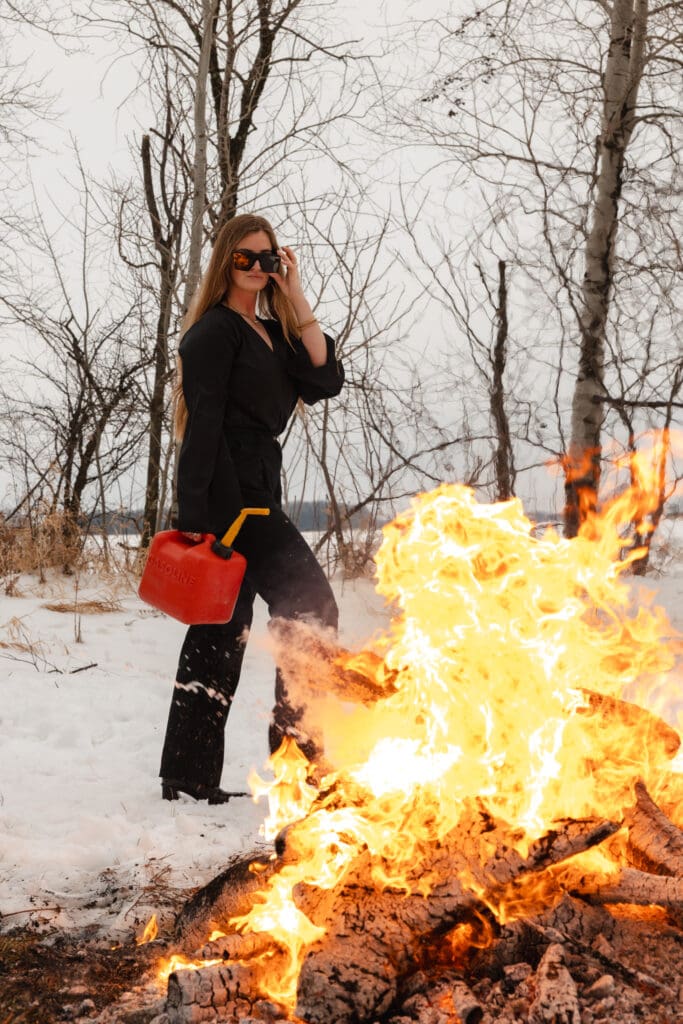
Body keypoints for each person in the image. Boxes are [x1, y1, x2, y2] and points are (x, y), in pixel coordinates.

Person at [159, 213, 344, 804]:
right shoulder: (213, 333)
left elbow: (324, 378)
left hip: (261, 488)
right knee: (311, 606)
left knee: (222, 628)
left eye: (268, 258)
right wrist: (195, 518)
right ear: (226, 261)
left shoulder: (271, 333)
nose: (257, 267)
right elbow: (202, 426)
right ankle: (297, 756)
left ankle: (188, 776)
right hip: (233, 498)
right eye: (245, 257)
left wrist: (296, 294)